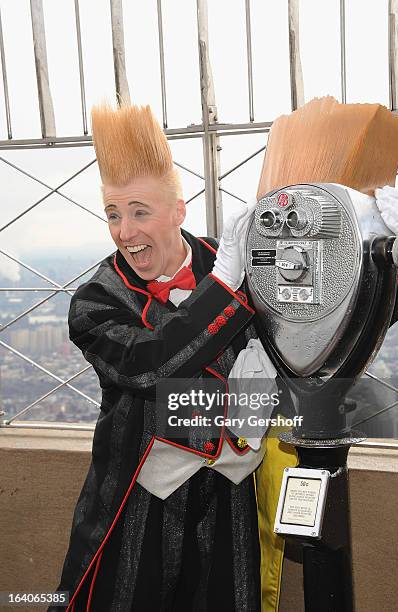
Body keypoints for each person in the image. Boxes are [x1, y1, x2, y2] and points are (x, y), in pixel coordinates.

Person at [49, 103, 264, 612]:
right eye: (113, 214)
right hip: (134, 507)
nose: (125, 232)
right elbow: (151, 362)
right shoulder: (95, 300)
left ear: (178, 210)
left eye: (140, 211)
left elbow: (311, 336)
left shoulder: (233, 264)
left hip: (226, 500)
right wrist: (227, 290)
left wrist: (387, 261)